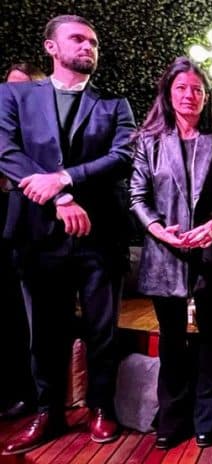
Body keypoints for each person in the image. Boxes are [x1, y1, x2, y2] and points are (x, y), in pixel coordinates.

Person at [0, 15, 135, 454]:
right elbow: (5, 151)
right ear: (51, 47)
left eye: (93, 42)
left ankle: (101, 407)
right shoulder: (14, 96)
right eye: (77, 39)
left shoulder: (114, 105)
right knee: (44, 331)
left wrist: (63, 179)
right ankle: (48, 412)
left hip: (100, 234)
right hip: (38, 232)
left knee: (102, 329)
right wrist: (60, 198)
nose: (87, 47)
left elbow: (123, 156)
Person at [129, 57, 212, 449]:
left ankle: (207, 418)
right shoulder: (148, 141)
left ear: (206, 96)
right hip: (165, 253)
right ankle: (172, 418)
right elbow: (137, 196)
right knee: (171, 337)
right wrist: (159, 230)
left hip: (210, 253)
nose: (189, 95)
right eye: (181, 88)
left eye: (197, 89)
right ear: (168, 93)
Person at [0, 62, 45, 421]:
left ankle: (30, 395)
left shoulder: (44, 133)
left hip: (34, 237)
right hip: (10, 232)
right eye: (8, 87)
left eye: (21, 88)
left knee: (28, 323)